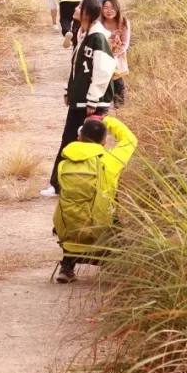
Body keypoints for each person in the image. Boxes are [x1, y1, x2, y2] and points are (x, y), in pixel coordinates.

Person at [41, 0, 115, 195]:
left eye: (80, 6)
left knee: (90, 144)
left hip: (91, 102)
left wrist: (93, 98)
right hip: (79, 99)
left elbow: (103, 70)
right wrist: (69, 90)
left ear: (88, 13)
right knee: (69, 139)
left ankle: (92, 185)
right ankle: (59, 184)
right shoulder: (81, 33)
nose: (75, 8)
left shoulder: (98, 37)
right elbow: (76, 66)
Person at [53, 114, 138, 281]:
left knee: (75, 213)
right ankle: (115, 266)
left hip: (66, 229)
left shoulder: (64, 163)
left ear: (79, 137)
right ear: (104, 142)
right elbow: (130, 140)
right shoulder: (110, 161)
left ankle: (67, 266)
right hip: (99, 229)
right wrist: (106, 119)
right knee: (116, 225)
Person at [100, 0, 130, 107]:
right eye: (106, 7)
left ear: (117, 9)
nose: (109, 11)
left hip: (117, 58)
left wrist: (113, 55)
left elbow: (125, 44)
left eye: (112, 8)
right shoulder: (98, 23)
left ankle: (120, 108)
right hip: (101, 58)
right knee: (103, 84)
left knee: (118, 83)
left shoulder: (124, 23)